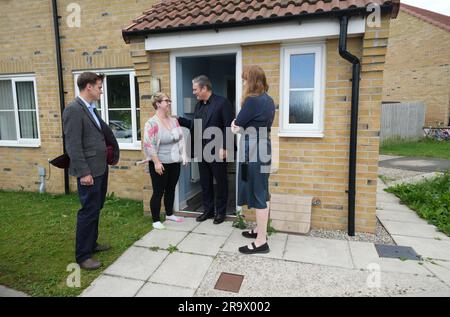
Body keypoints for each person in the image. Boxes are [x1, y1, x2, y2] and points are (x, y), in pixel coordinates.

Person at [63, 72, 120, 270]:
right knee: (88, 211)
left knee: (96, 208)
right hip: (89, 172)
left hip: (100, 168)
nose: (101, 90)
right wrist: (84, 172)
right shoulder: (73, 110)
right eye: (99, 86)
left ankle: (92, 244)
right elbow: (73, 146)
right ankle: (83, 256)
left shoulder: (91, 109)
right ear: (89, 87)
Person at [231, 65, 275, 254]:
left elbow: (237, 124)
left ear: (251, 81)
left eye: (244, 80)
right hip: (264, 145)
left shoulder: (252, 101)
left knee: (258, 193)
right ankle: (260, 230)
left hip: (253, 149)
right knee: (263, 191)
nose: (242, 83)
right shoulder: (269, 100)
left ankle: (261, 241)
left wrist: (237, 127)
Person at [178, 75, 233, 224]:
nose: (194, 92)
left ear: (204, 88)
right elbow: (195, 126)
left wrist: (226, 148)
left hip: (217, 150)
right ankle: (208, 211)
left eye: (195, 89)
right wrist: (179, 120)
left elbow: (229, 126)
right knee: (205, 182)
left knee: (221, 182)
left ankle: (220, 212)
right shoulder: (199, 105)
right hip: (201, 150)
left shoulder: (223, 103)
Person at [143, 92, 187, 230]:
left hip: (174, 162)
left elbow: (181, 138)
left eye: (169, 101)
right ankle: (155, 220)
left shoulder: (173, 120)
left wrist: (184, 154)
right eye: (166, 101)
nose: (169, 103)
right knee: (158, 191)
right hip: (159, 163)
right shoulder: (151, 123)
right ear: (157, 104)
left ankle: (169, 214)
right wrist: (156, 162)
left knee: (171, 189)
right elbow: (148, 144)